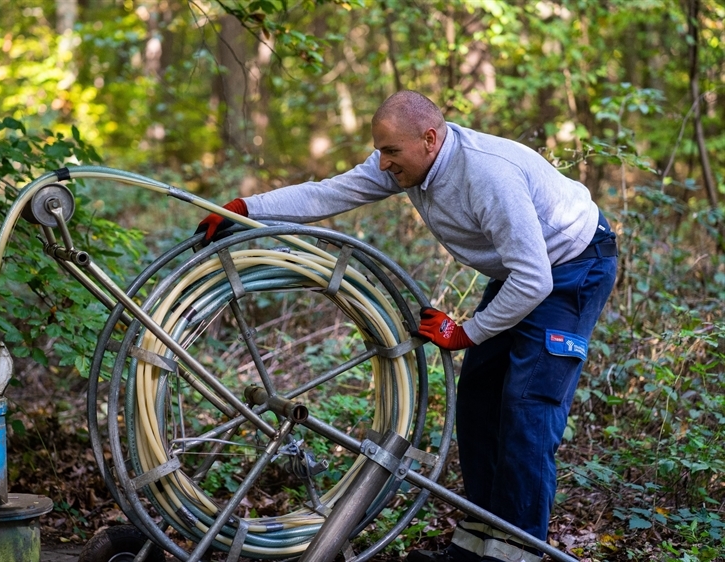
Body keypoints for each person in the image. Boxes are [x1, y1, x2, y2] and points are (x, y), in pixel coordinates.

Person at [196, 90, 617, 562]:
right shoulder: (410, 163)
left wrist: (466, 332)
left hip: (572, 269)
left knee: (526, 407)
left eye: (390, 151)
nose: (382, 163)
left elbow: (535, 278)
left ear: (430, 139)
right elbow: (329, 191)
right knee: (478, 399)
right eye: (380, 150)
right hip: (520, 274)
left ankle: (518, 554)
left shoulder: (488, 174)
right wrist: (245, 208)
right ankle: (476, 548)